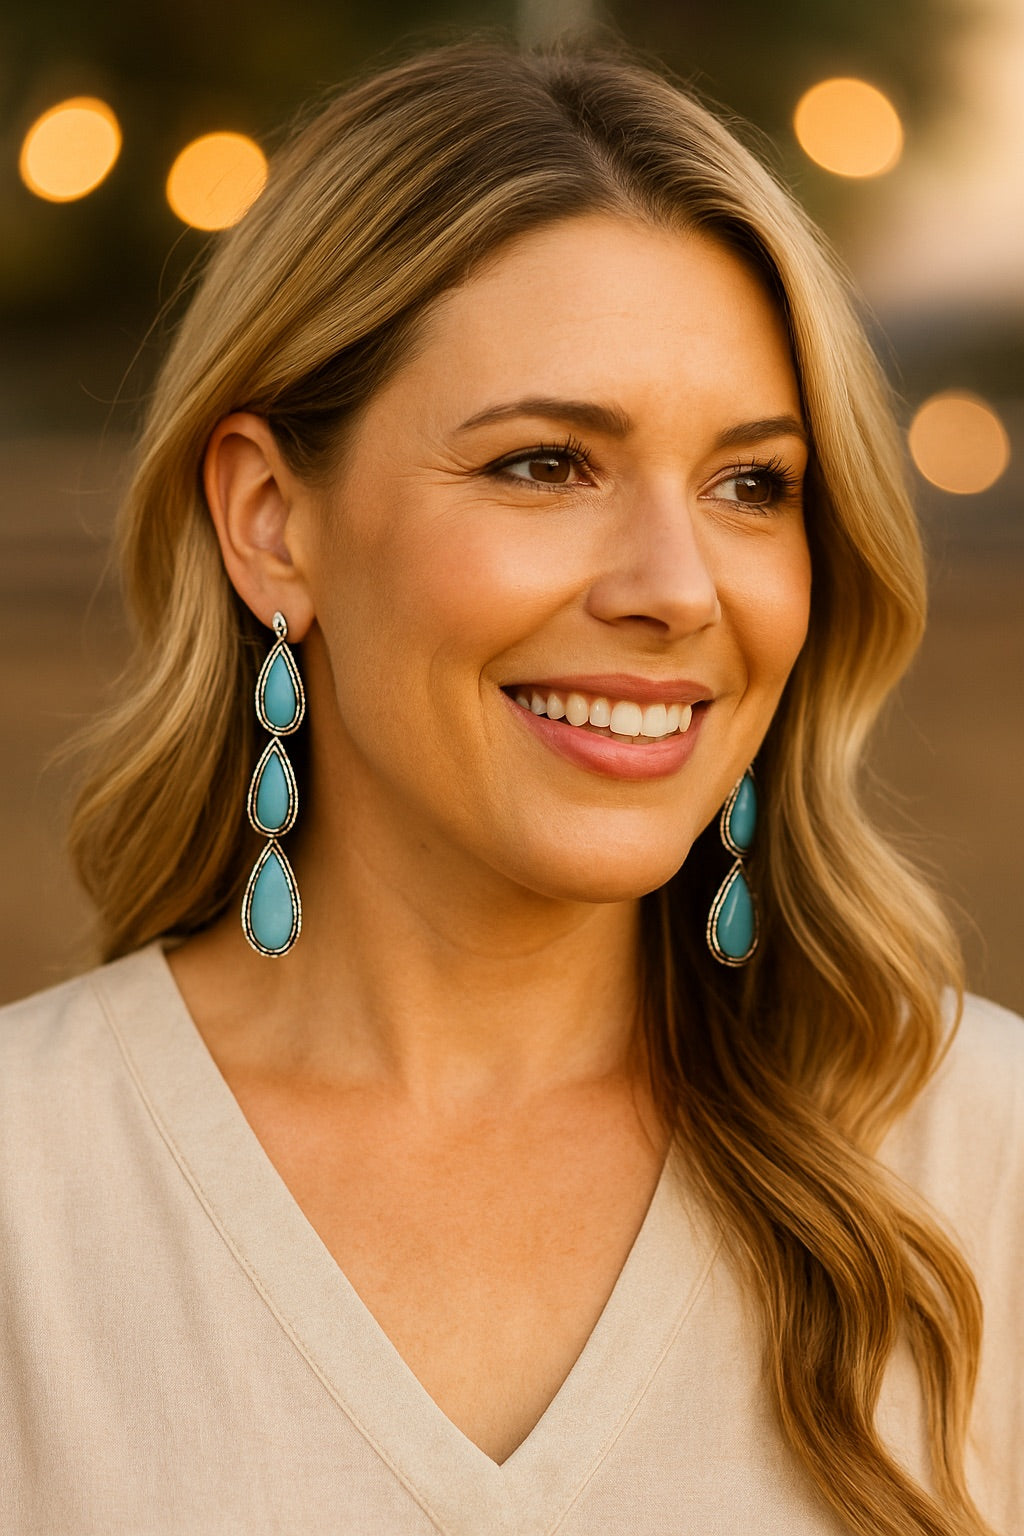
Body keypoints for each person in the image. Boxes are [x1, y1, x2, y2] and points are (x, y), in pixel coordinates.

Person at [1, 40, 1020, 1536]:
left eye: (752, 485)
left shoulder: (980, 1161)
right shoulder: (32, 1193)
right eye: (546, 465)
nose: (678, 591)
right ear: (273, 522)